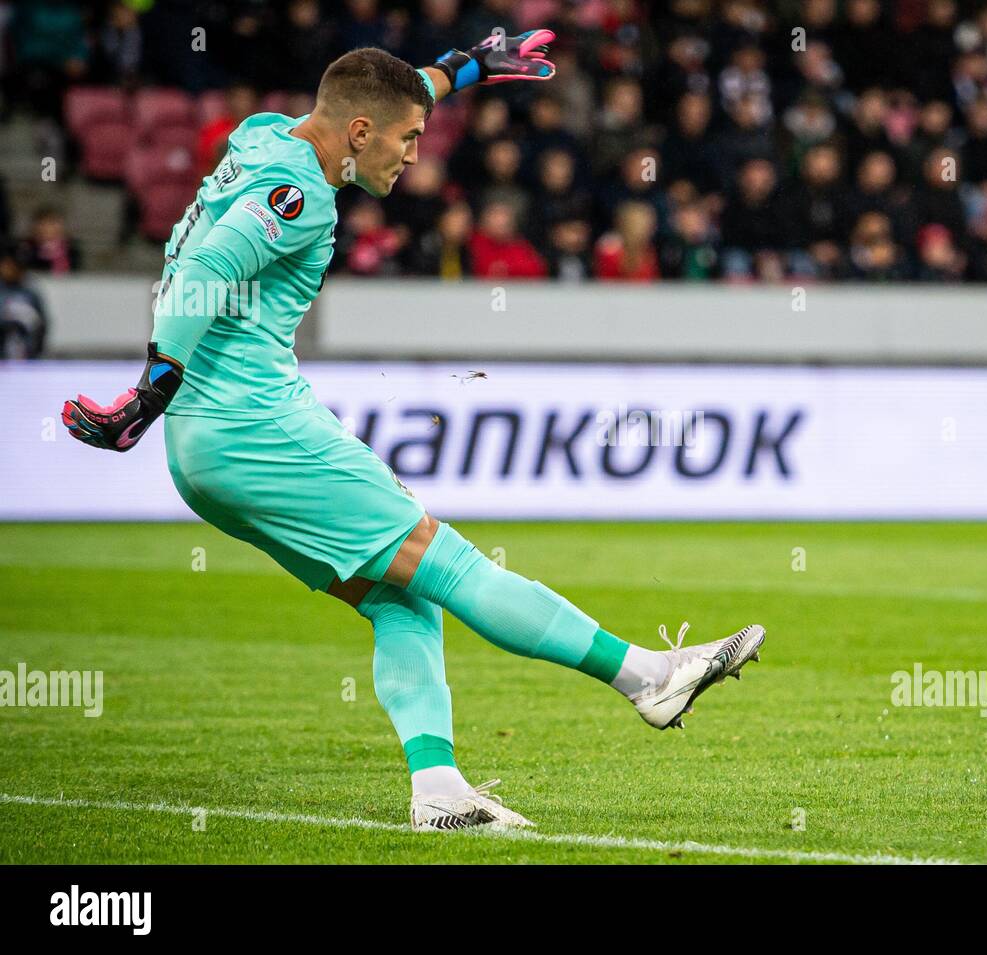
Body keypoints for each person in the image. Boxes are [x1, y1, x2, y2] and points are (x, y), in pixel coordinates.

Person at [60, 34, 764, 832]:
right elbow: (203, 274)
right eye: (407, 139)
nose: (414, 154)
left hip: (207, 451)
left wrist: (464, 66)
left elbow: (382, 91)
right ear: (360, 134)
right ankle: (648, 677)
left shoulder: (264, 135)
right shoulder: (299, 197)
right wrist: (152, 385)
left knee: (403, 601)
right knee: (452, 565)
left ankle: (439, 792)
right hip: (256, 426)